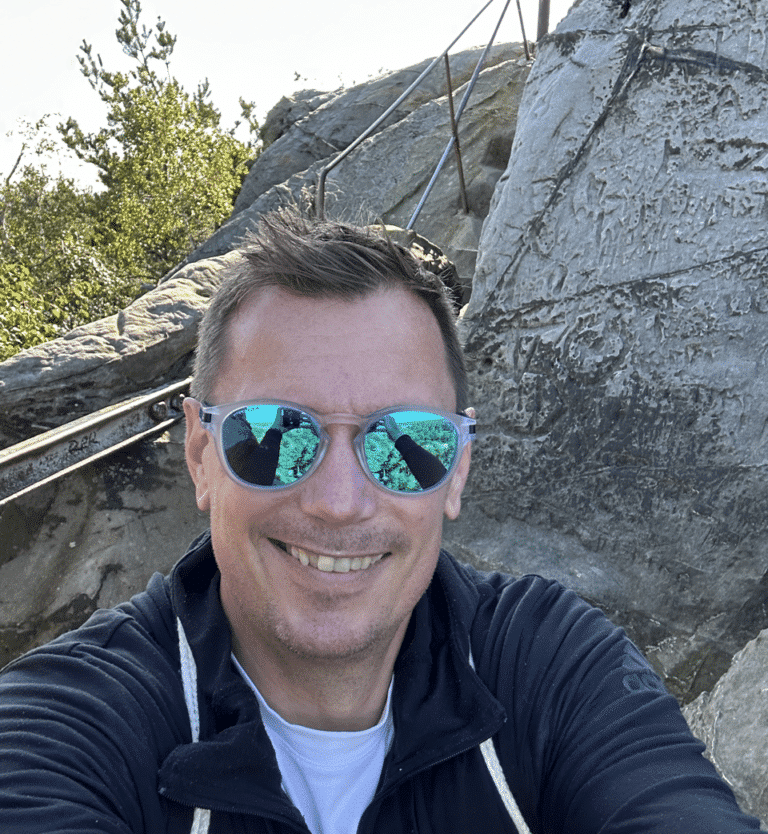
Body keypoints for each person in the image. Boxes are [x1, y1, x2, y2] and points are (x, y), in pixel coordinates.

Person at [0, 208, 761, 834]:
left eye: (404, 443)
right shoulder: (68, 726)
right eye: (274, 435)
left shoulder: (547, 664)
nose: (338, 499)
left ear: (456, 469)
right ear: (201, 455)